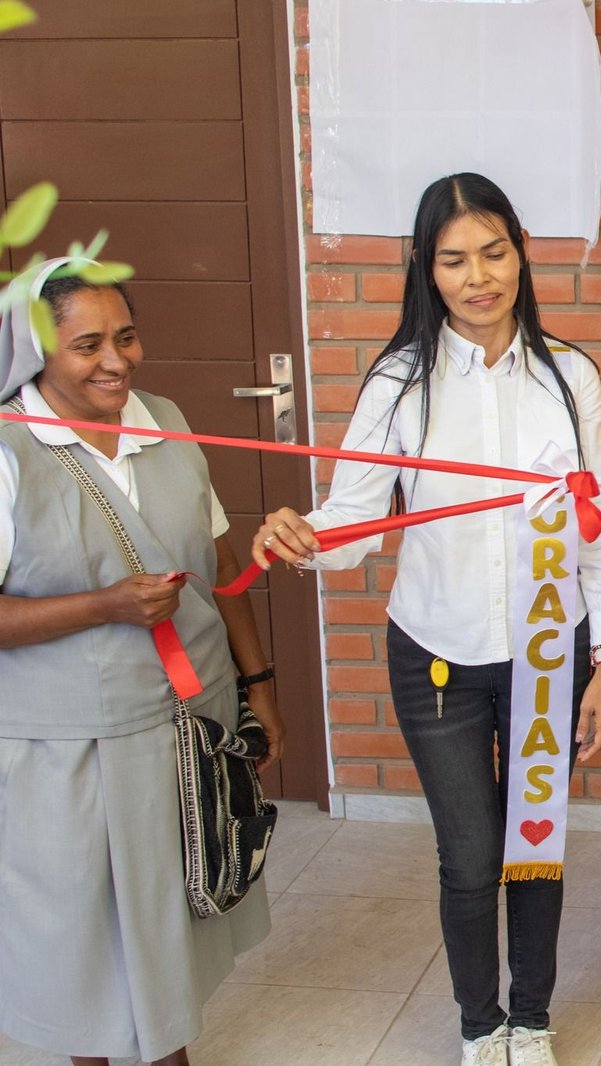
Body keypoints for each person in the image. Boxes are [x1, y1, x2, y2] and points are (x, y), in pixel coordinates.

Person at [251, 174, 601, 1066]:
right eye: (454, 259)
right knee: (469, 856)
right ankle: (479, 1025)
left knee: (532, 844)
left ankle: (530, 1021)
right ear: (426, 268)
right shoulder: (398, 383)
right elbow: (354, 520)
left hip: (549, 647)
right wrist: (304, 537)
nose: (478, 277)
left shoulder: (571, 378)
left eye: (493, 252)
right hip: (437, 652)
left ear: (522, 247)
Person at [0, 264, 283, 1066]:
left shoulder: (165, 421)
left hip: (186, 736)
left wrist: (260, 687)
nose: (116, 362)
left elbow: (217, 557)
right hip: (71, 757)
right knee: (86, 957)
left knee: (171, 934)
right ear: (36, 352)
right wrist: (102, 606)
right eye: (86, 344)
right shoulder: (9, 456)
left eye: (125, 337)